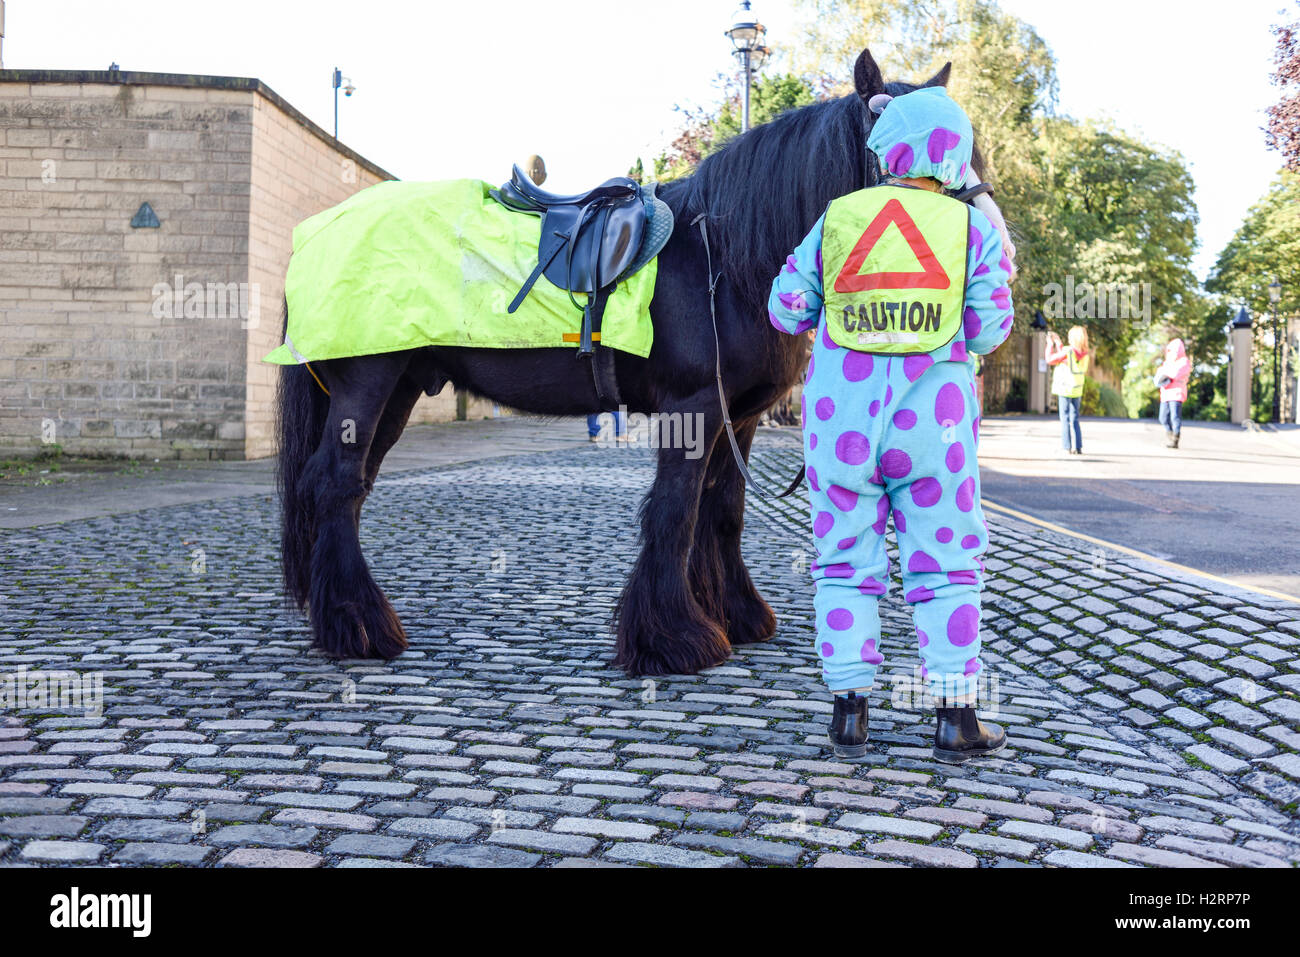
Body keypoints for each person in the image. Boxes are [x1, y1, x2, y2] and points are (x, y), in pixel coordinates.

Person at [768, 85, 1015, 763]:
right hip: (933, 429)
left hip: (839, 425)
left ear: (887, 150)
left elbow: (786, 307)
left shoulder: (839, 219)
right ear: (954, 155)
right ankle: (955, 716)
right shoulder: (972, 232)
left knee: (844, 564)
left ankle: (850, 712)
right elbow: (990, 327)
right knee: (947, 565)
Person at [1046, 325, 1089, 455]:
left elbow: (1050, 359)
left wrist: (1049, 344)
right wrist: (1059, 343)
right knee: (1074, 418)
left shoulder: (1068, 351)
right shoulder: (1085, 353)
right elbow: (1068, 358)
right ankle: (1078, 446)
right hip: (1077, 388)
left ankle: (1066, 447)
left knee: (1064, 418)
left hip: (1065, 388)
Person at [1155, 337, 1191, 449]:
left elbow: (1173, 374)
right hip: (1165, 394)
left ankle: (1175, 439)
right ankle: (1170, 434)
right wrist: (1164, 375)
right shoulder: (1167, 363)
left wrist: (1165, 375)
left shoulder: (1184, 362)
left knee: (1175, 417)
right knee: (1163, 418)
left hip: (1176, 393)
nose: (1170, 353)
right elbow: (1159, 377)